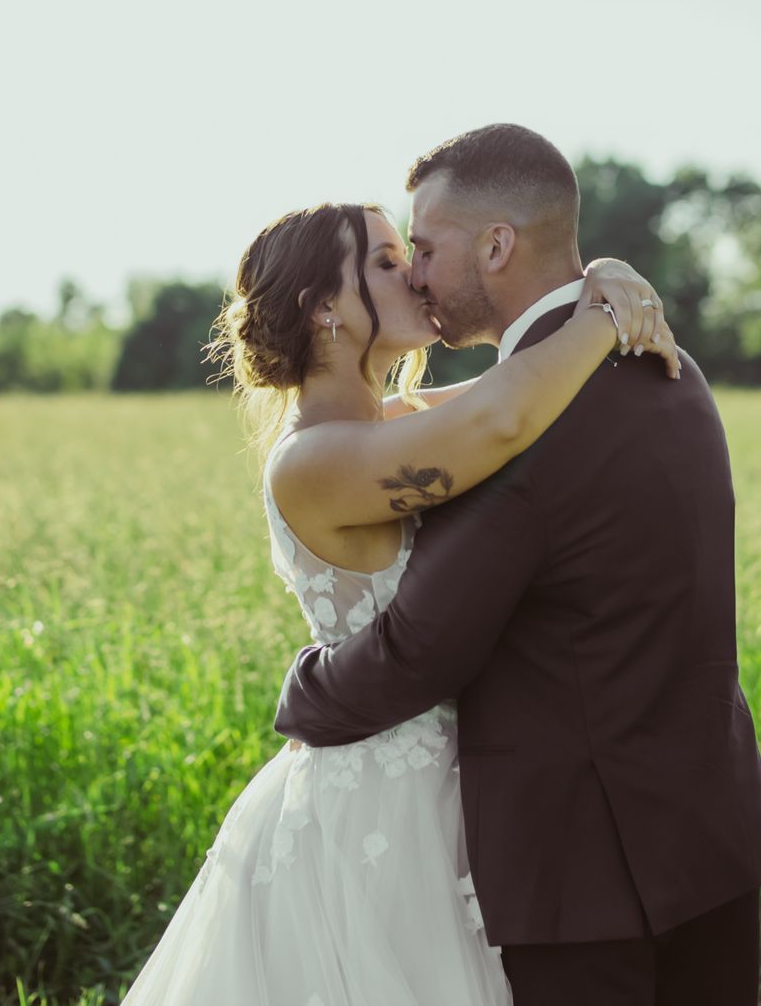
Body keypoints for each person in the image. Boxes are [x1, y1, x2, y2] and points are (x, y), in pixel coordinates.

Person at [119, 184, 678, 1005]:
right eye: (384, 261)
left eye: (408, 253)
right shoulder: (310, 461)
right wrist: (600, 311)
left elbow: (528, 385)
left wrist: (603, 272)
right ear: (323, 312)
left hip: (460, 786)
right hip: (376, 817)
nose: (415, 274)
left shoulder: (395, 421)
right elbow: (505, 420)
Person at [276, 124, 761, 1005]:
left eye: (422, 249)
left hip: (583, 876)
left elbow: (421, 650)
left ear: (497, 244)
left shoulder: (519, 433)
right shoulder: (669, 365)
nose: (419, 276)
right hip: (713, 835)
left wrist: (303, 688)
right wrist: (603, 294)